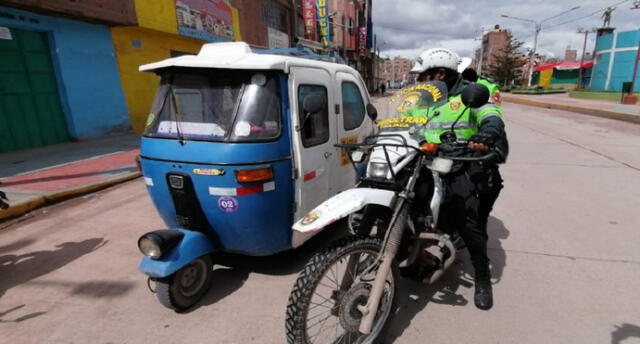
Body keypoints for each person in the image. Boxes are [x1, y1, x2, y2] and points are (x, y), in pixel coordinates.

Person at [408, 47, 509, 310]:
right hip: (426, 161)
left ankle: (482, 276)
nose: (418, 82)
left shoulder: (471, 93)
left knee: (470, 224)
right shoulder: (423, 99)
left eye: (423, 76)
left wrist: (487, 133)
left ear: (439, 73)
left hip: (461, 164)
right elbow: (405, 123)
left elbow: (491, 116)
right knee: (405, 202)